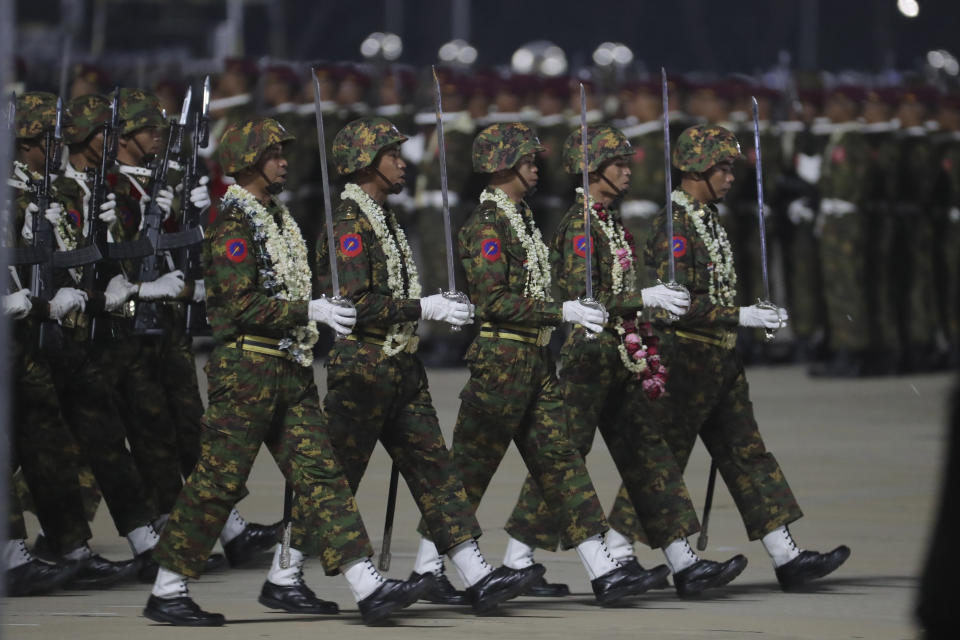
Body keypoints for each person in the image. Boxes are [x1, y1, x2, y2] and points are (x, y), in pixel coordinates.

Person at [143, 117, 429, 626]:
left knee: (323, 475)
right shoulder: (234, 223)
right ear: (250, 162)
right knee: (218, 480)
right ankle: (168, 588)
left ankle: (365, 584)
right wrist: (309, 311)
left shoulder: (274, 217)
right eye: (273, 154)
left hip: (289, 370)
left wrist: (309, 312)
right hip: (247, 370)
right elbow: (238, 305)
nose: (283, 162)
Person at [413, 122, 668, 606]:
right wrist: (562, 310)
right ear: (504, 165)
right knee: (469, 470)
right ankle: (428, 566)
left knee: (562, 463)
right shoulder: (486, 226)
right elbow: (496, 301)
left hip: (534, 358)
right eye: (528, 160)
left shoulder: (521, 218)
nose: (537, 167)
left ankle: (603, 571)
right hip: (501, 361)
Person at [500, 124, 748, 598]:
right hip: (589, 358)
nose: (627, 172)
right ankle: (517, 556)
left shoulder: (609, 221)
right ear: (591, 171)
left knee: (648, 456)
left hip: (621, 354)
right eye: (616, 164)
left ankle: (684, 560)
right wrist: (642, 297)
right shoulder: (580, 225)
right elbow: (582, 296)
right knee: (565, 458)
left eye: (627, 164)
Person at [318, 116, 543, 613]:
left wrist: (428, 305)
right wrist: (425, 308)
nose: (403, 162)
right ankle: (286, 573)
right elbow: (355, 304)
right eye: (392, 155)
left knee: (436, 472)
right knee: (335, 477)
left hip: (402, 367)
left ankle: (474, 571)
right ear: (364, 163)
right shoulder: (348, 226)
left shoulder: (386, 218)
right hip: (362, 368)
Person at [643, 124, 850, 591]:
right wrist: (742, 316)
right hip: (686, 362)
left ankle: (786, 554)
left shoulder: (708, 217)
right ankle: (618, 554)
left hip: (719, 361)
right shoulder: (673, 227)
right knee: (660, 464)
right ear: (696, 168)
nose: (732, 176)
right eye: (723, 167)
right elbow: (674, 307)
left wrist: (745, 319)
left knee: (747, 455)